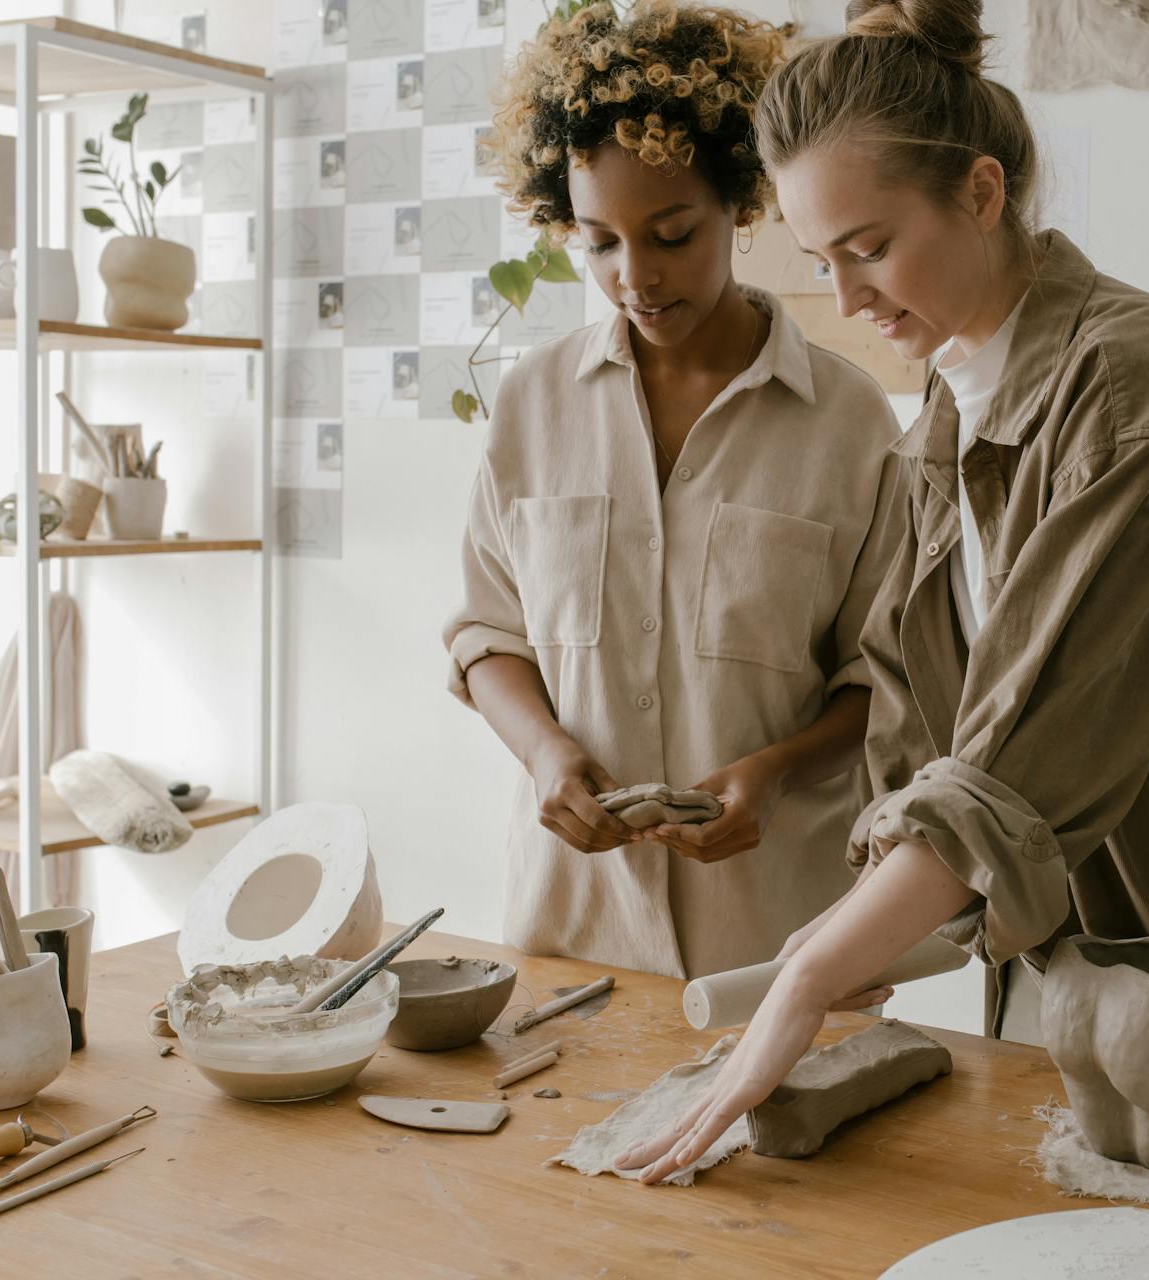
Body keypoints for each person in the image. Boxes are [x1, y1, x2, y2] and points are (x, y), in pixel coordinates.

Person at [617, 0, 1149, 1183]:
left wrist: (811, 974)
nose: (848, 297)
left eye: (871, 246)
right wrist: (877, 923)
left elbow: (1017, 767)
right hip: (1095, 1023)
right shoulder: (948, 410)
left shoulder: (1135, 390)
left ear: (982, 194)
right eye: (822, 258)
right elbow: (923, 728)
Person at [444, 1, 905, 982]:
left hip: (781, 953)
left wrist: (777, 773)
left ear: (739, 201)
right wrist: (543, 753)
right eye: (601, 242)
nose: (636, 277)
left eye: (671, 232)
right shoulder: (531, 404)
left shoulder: (850, 423)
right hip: (573, 938)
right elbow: (487, 638)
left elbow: (889, 680)